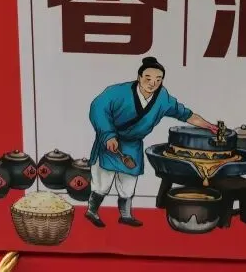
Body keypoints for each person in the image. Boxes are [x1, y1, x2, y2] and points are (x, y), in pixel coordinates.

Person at [85, 56, 215, 227]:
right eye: (148, 78)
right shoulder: (117, 92)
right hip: (109, 143)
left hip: (132, 145)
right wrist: (108, 135)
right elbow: (97, 108)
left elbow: (185, 114)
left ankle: (126, 215)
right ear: (139, 77)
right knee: (102, 183)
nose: (153, 83)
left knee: (128, 184)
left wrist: (208, 125)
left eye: (158, 79)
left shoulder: (163, 98)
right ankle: (92, 211)